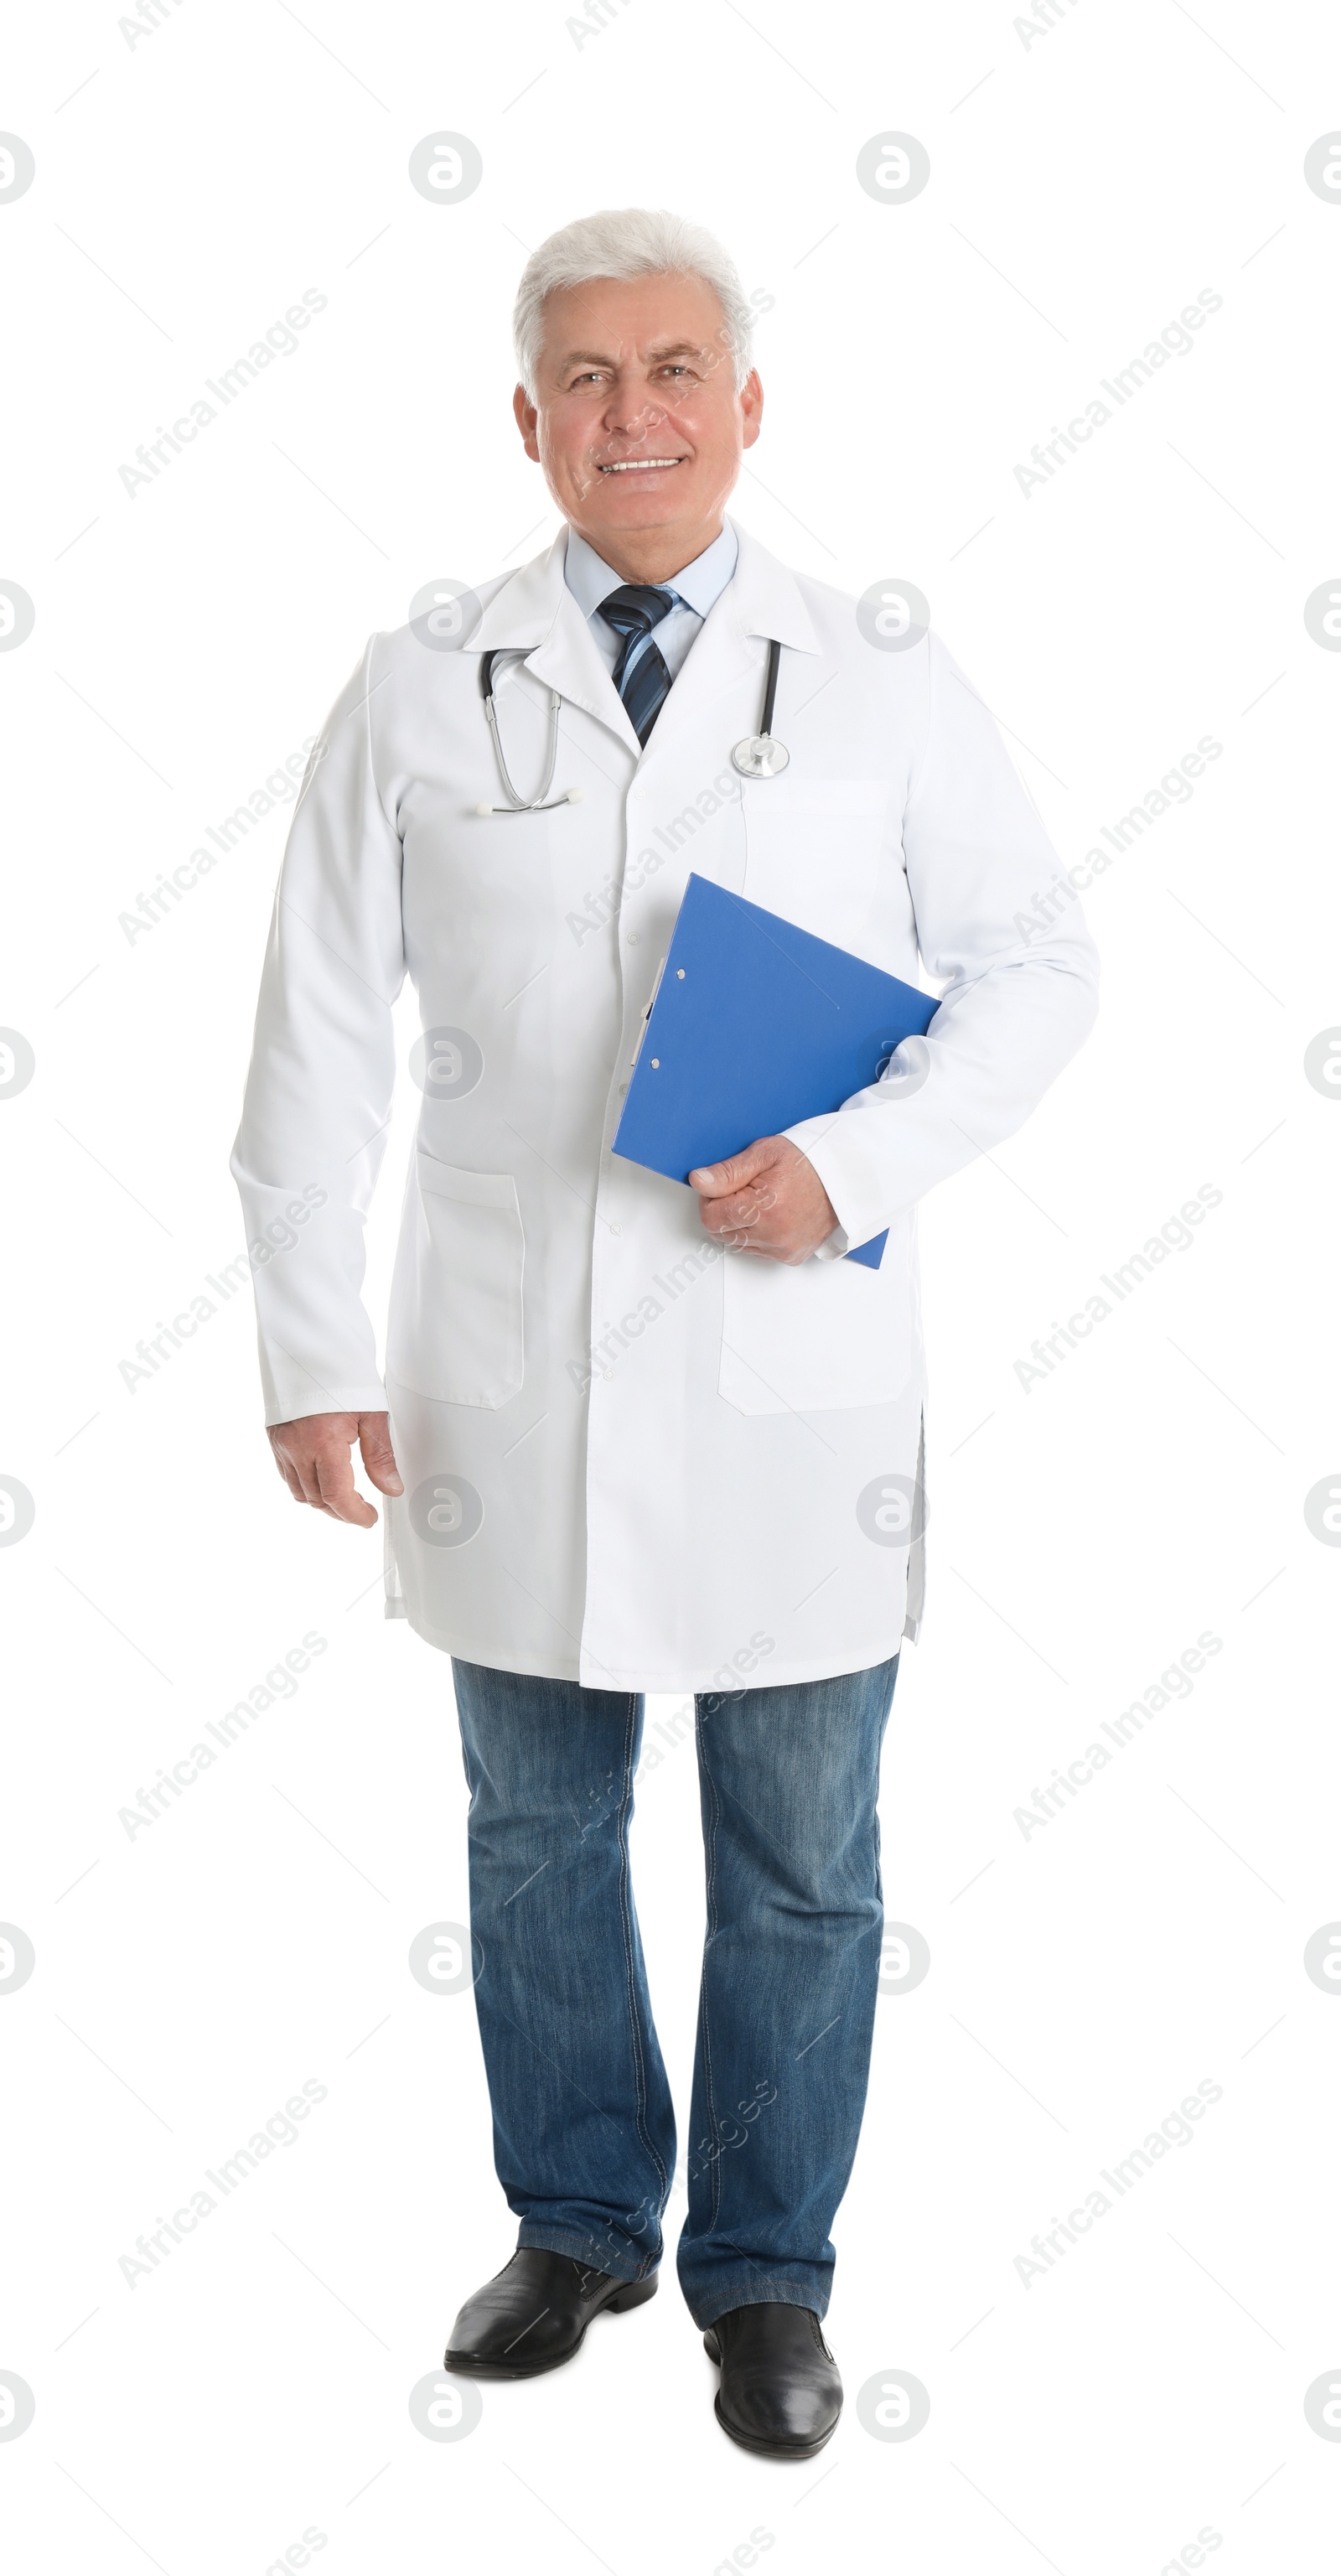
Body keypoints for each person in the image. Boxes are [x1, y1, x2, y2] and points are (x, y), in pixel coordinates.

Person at [230, 206, 1099, 2459]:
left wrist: (861, 1167)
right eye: (589, 379)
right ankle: (585, 2219)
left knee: (805, 1853)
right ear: (529, 419)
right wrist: (312, 1343)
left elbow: (1035, 969)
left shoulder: (883, 676)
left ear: (746, 404)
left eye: (677, 368)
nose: (637, 413)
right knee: (533, 1829)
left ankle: (770, 2276)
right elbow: (317, 1034)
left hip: (791, 1367)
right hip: (499, 1360)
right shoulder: (422, 677)